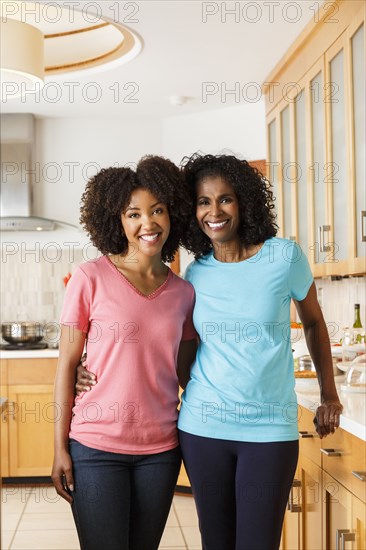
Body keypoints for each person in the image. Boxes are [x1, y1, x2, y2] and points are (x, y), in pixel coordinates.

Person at [76, 153, 343, 550]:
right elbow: (173, 347)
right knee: (214, 541)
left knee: (258, 542)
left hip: (270, 428)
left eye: (225, 199)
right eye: (203, 201)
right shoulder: (195, 275)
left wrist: (329, 393)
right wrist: (93, 363)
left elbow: (315, 323)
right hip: (203, 429)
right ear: (192, 210)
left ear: (244, 202)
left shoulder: (284, 257)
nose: (214, 211)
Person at [51, 156, 197, 550]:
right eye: (134, 213)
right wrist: (59, 448)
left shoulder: (184, 293)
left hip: (161, 452)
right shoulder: (89, 278)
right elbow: (66, 365)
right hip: (95, 447)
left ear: (173, 214)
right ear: (116, 220)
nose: (147, 223)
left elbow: (186, 374)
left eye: (157, 210)